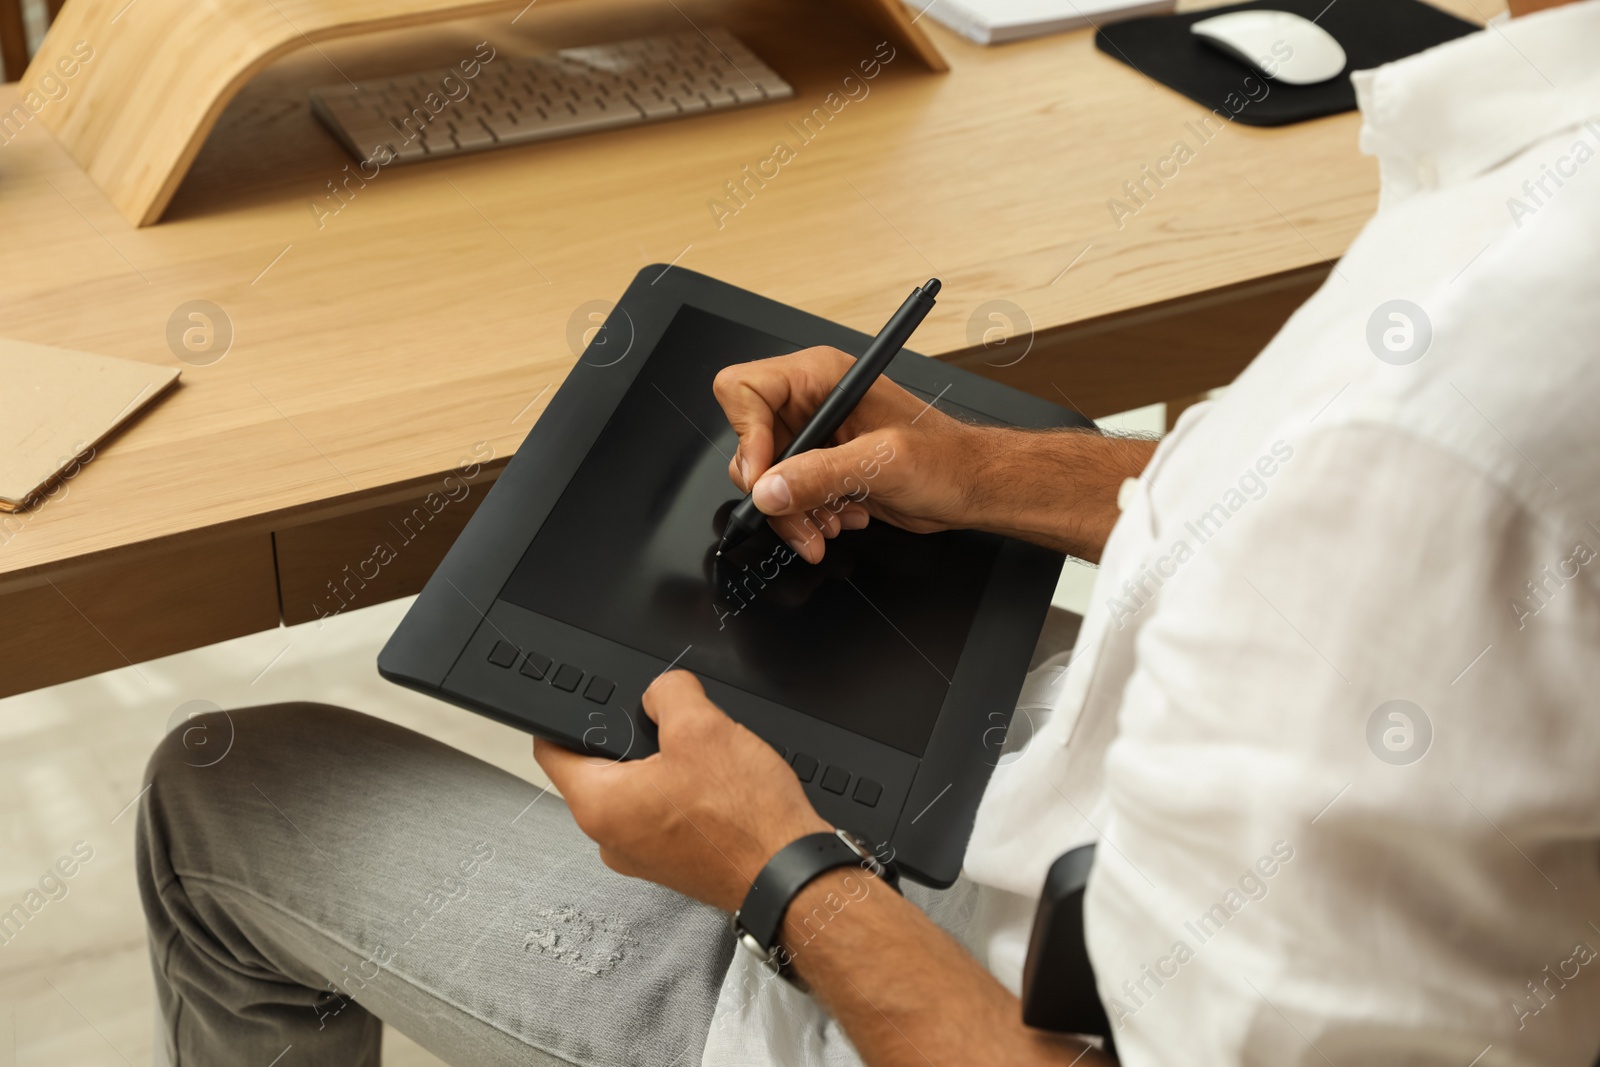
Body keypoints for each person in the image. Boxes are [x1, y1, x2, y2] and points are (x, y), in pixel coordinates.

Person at [137, 0, 1600, 1063]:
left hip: (950, 995)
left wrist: (779, 871)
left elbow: (1406, 487)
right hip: (1106, 823)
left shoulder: (1461, 398)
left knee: (216, 787)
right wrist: (990, 471)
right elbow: (1343, 531)